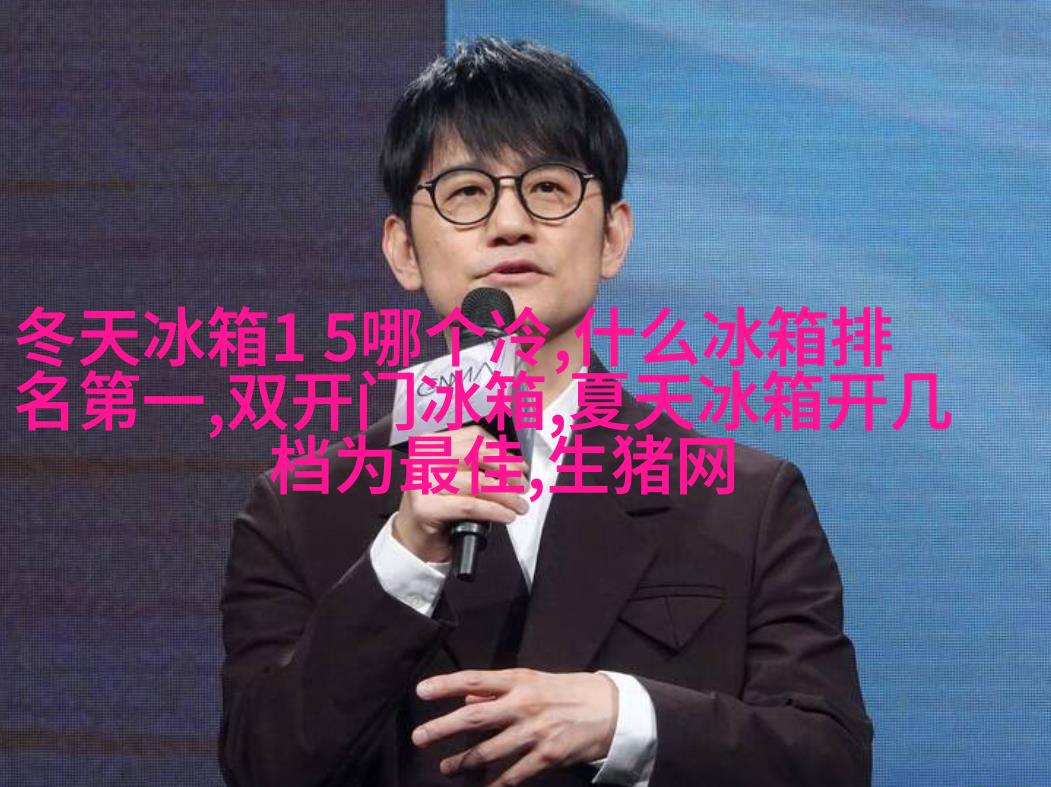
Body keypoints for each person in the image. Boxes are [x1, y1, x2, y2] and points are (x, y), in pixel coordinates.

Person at [219, 37, 872, 787]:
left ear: (613, 236)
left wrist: (624, 718)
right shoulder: (300, 509)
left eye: (549, 188)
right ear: (403, 250)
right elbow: (263, 765)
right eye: (466, 192)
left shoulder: (743, 502)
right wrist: (403, 558)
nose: (510, 223)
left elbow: (829, 759)